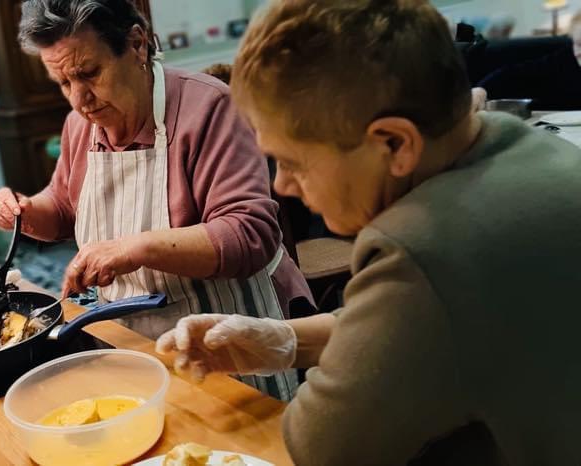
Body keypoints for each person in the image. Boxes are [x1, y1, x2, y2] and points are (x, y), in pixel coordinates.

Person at [157, 0, 581, 463]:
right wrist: (287, 340)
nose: (282, 185)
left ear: (394, 144)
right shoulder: (525, 146)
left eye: (292, 161)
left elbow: (322, 447)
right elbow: (430, 328)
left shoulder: (422, 251)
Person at [0, 0, 312, 399]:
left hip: (225, 347)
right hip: (132, 346)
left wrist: (135, 248)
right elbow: (61, 207)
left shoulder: (209, 107)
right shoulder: (80, 125)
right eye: (63, 83)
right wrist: (24, 211)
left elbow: (249, 235)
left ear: (137, 44)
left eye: (89, 73)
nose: (79, 99)